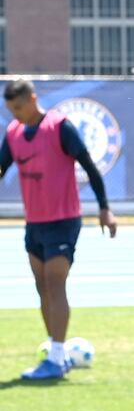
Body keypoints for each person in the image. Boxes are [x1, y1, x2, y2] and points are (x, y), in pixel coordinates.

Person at [0, 77, 118, 380]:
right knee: (41, 288)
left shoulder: (59, 128)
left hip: (63, 221)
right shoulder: (13, 134)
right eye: (11, 109)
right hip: (34, 223)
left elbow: (89, 166)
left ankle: (55, 357)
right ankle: (58, 354)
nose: (16, 114)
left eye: (19, 107)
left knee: (55, 285)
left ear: (32, 99)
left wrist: (104, 208)